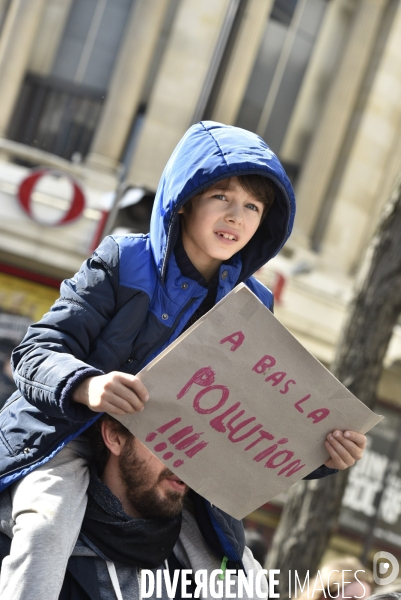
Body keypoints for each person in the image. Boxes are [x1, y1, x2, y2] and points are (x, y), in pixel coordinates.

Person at [0, 121, 367, 600]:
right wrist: (87, 386)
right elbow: (32, 353)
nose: (236, 216)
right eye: (222, 197)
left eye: (253, 207)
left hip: (175, 461)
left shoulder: (251, 302)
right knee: (46, 531)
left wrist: (324, 454)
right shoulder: (121, 259)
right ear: (186, 199)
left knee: (243, 582)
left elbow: (255, 421)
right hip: (67, 435)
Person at [0, 414, 269, 599]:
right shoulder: (17, 550)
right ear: (115, 436)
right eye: (172, 438)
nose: (185, 460)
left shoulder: (209, 561)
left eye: (198, 446)